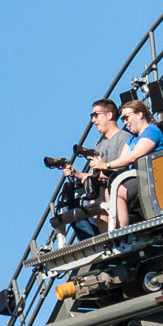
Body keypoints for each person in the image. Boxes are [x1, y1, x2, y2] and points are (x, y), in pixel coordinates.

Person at [88, 99, 163, 230]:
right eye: (123, 119)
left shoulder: (151, 132)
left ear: (140, 114)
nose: (125, 122)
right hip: (136, 177)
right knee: (108, 189)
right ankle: (112, 230)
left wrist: (106, 165)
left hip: (152, 175)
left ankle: (122, 231)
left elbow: (134, 157)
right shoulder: (133, 139)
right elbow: (121, 163)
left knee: (117, 190)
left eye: (127, 117)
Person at [58, 99, 130, 237]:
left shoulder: (123, 137)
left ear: (109, 115)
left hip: (115, 184)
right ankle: (94, 238)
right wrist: (76, 174)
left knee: (96, 191)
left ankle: (109, 237)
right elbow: (94, 175)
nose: (93, 120)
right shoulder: (100, 145)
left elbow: (122, 168)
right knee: (71, 201)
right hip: (100, 185)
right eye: (92, 116)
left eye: (96, 115)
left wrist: (102, 167)